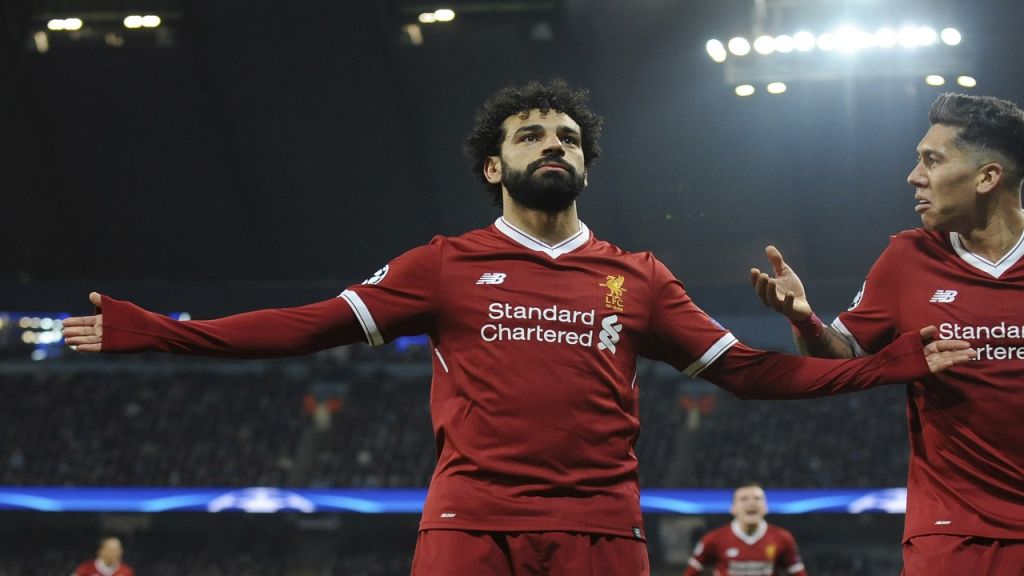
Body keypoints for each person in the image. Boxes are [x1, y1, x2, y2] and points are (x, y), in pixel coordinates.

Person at [63, 80, 975, 576]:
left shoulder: (638, 279)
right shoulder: (443, 265)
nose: (554, 144)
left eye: (569, 137)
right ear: (493, 165)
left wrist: (891, 365)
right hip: (471, 527)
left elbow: (751, 374)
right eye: (532, 134)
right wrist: (160, 333)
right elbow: (302, 329)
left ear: (585, 163)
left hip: (603, 533)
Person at [750, 92, 1024, 575]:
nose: (913, 177)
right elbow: (841, 361)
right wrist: (804, 320)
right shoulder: (907, 258)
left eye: (931, 161)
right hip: (951, 529)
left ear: (987, 177)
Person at [683, 482, 806, 576]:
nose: (751, 503)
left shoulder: (782, 538)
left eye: (757, 498)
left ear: (766, 507)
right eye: (744, 499)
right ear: (733, 508)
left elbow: (799, 573)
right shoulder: (714, 539)